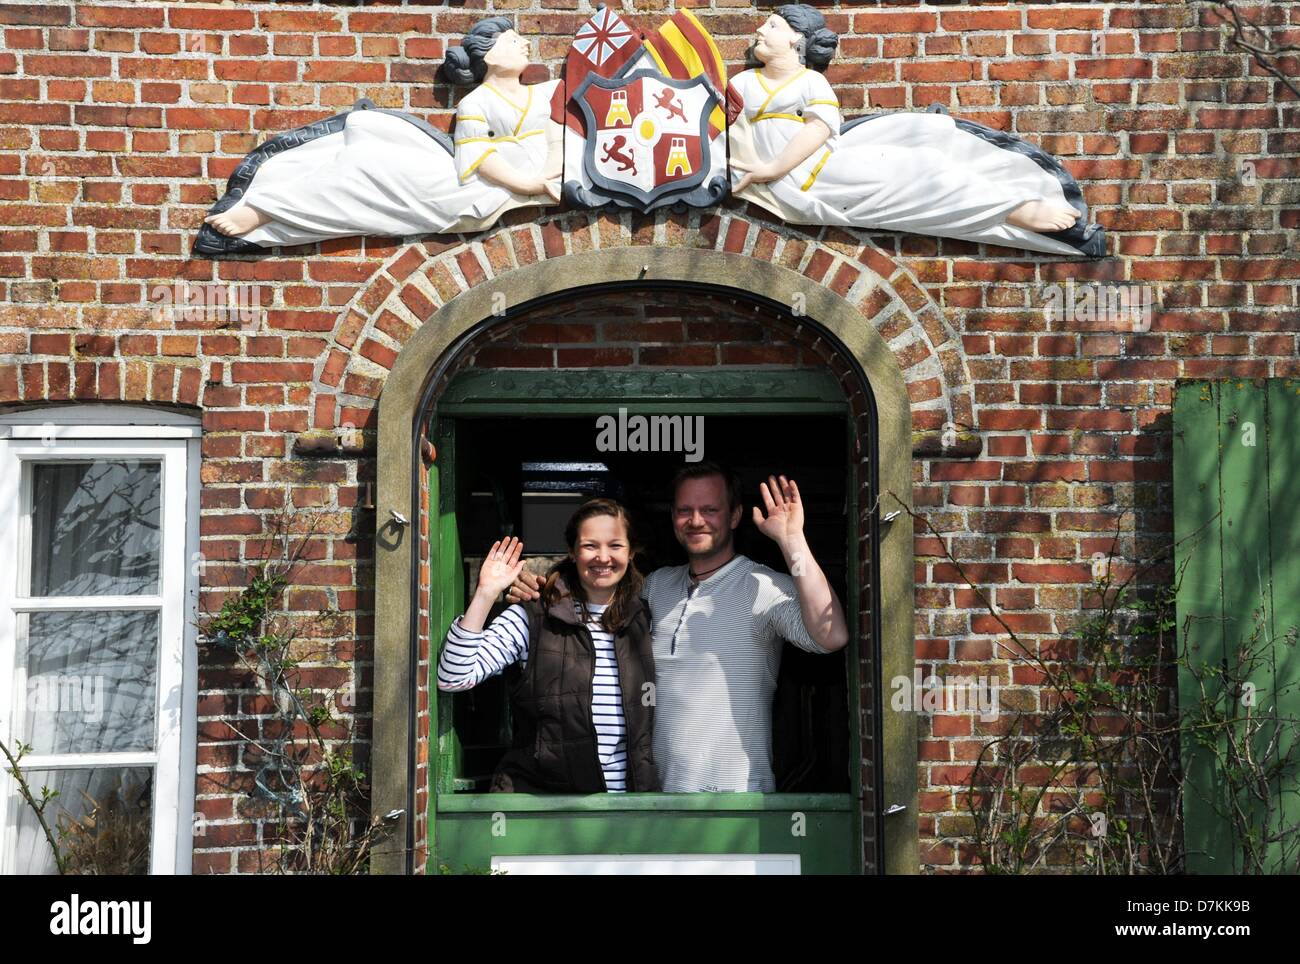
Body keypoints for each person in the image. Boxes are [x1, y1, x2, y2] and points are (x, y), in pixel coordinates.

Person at [510, 463, 848, 792]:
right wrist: (543, 594)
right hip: (654, 800)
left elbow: (830, 635)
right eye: (685, 510)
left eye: (710, 509)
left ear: (733, 516)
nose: (696, 520)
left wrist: (792, 541)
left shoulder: (762, 586)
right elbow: (590, 604)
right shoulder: (656, 586)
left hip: (736, 802)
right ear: (673, 518)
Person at [727, 5, 1101, 257]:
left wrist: (771, 169)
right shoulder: (743, 82)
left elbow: (818, 130)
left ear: (797, 39)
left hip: (812, 170)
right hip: (795, 183)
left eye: (773, 25)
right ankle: (1014, 210)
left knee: (925, 151)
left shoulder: (810, 83)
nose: (760, 28)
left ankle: (1014, 207)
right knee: (921, 168)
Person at [201, 16, 562, 249]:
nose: (525, 44)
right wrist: (527, 185)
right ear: (491, 56)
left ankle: (269, 211)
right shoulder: (477, 103)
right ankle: (264, 210)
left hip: (507, 186)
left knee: (364, 168)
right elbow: (480, 160)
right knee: (364, 167)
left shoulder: (543, 93)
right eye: (514, 41)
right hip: (462, 187)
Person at [436, 499, 658, 793]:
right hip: (545, 809)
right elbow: (453, 678)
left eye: (615, 545)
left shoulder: (647, 618)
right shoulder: (532, 617)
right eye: (590, 545)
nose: (603, 557)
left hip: (627, 809)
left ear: (631, 552)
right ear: (572, 551)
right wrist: (486, 592)